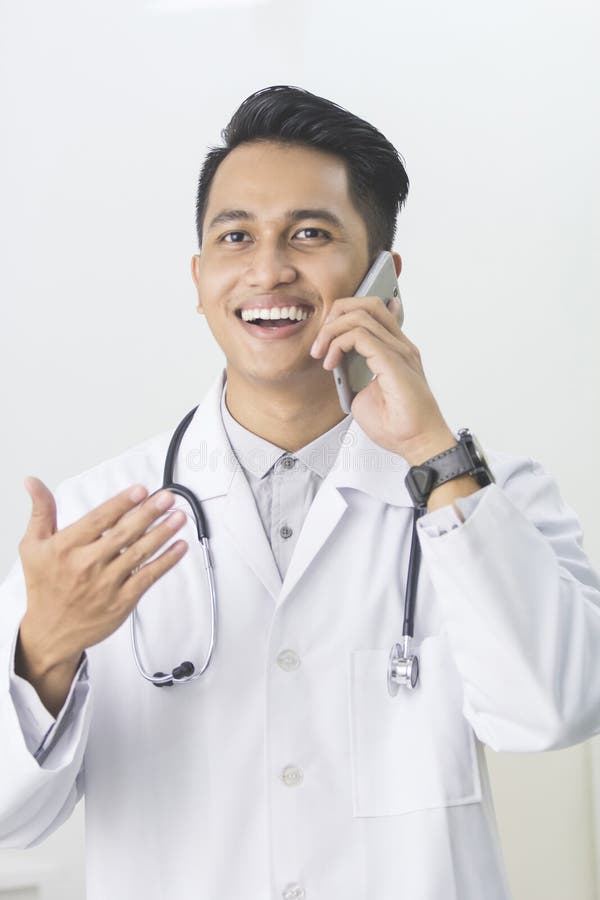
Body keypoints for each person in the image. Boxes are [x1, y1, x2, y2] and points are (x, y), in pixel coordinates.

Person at [1, 84, 599, 900]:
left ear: (384, 273)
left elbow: (553, 712)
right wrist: (45, 653)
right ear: (199, 274)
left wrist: (429, 451)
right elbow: (11, 819)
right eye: (236, 236)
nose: (268, 269)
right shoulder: (94, 518)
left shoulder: (487, 491)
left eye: (310, 234)